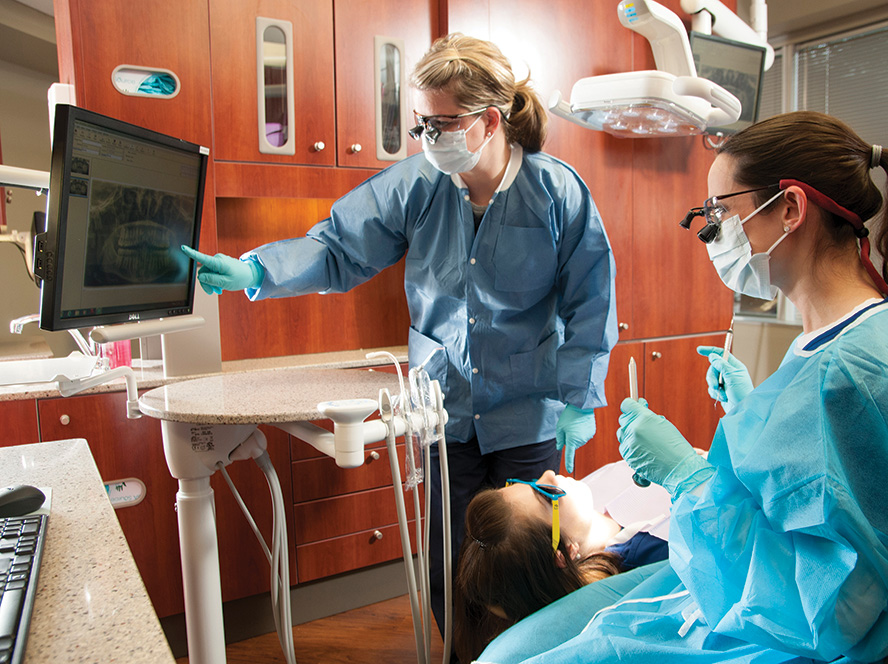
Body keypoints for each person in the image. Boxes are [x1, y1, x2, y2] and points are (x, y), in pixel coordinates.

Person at [495, 111, 888, 664]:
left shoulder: (848, 374)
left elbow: (824, 611)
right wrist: (755, 408)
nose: (711, 234)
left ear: (789, 209)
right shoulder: (880, 322)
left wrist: (687, 481)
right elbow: (844, 480)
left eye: (721, 214)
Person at [180, 33, 618, 635]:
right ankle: (462, 655)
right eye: (421, 124)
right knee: (451, 562)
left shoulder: (556, 192)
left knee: (535, 567)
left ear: (488, 121)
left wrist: (580, 399)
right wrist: (256, 269)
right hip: (444, 410)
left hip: (531, 416)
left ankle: (541, 652)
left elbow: (592, 301)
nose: (427, 138)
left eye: (440, 123)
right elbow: (336, 247)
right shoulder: (417, 184)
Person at [454, 462, 674, 662]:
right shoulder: (653, 556)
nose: (549, 474)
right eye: (549, 495)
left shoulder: (583, 504)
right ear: (563, 554)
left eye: (529, 483)